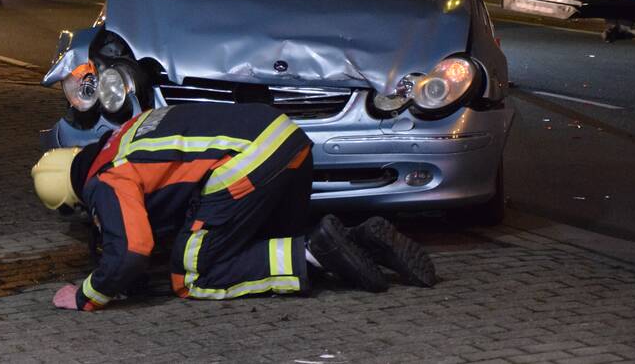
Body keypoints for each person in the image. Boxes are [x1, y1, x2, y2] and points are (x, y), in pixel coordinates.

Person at [31, 103, 436, 311]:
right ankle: (355, 239)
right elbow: (174, 186)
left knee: (192, 275)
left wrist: (88, 294)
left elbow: (132, 251)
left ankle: (314, 252)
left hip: (247, 162)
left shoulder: (106, 179)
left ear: (72, 199)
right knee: (249, 245)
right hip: (287, 140)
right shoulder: (125, 134)